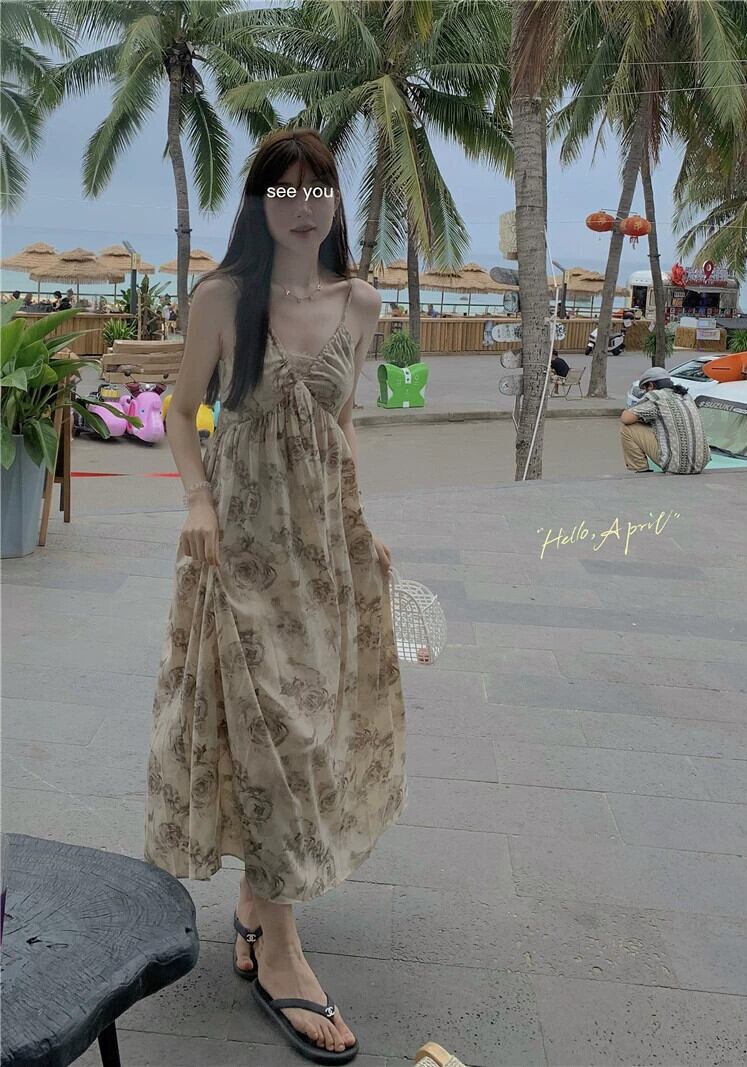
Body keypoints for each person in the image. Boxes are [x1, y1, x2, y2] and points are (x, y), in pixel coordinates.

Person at [143, 128, 406, 1062]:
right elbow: (181, 412)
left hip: (323, 551)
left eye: (317, 187)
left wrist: (363, 525)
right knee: (268, 730)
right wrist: (198, 500)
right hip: (241, 550)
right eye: (283, 189)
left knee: (313, 727)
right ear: (258, 204)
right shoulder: (222, 298)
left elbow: (340, 421)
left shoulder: (361, 303)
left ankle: (258, 908)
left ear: (336, 201)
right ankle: (282, 949)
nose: (302, 205)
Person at [620, 367, 710, 473]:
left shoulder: (656, 397)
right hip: (700, 463)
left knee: (628, 429)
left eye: (645, 388)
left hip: (676, 465)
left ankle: (640, 469)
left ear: (651, 385)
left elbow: (626, 418)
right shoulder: (685, 396)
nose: (645, 392)